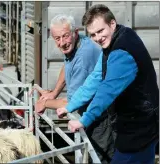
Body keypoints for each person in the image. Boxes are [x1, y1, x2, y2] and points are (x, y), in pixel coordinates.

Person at [56, 4, 159, 164]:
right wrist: (71, 105)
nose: (98, 38)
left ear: (112, 23)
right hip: (139, 123)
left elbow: (106, 91)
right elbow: (96, 77)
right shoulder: (116, 39)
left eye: (100, 31)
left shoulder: (122, 52)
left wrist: (84, 120)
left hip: (138, 128)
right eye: (93, 34)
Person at [34, 14, 115, 163]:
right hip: (91, 115)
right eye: (57, 38)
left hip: (100, 119)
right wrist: (54, 93)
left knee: (99, 158)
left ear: (75, 32)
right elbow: (67, 65)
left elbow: (72, 103)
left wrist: (44, 103)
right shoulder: (77, 44)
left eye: (65, 36)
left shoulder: (84, 57)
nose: (62, 43)